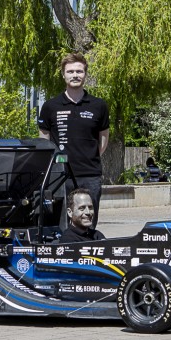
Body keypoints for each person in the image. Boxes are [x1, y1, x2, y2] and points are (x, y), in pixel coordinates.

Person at [37, 53, 109, 226]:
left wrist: (88, 156)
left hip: (90, 175)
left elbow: (103, 139)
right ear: (63, 75)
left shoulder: (98, 105)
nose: (75, 75)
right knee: (60, 223)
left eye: (79, 71)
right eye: (70, 72)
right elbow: (44, 140)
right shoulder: (50, 106)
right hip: (60, 176)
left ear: (85, 74)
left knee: (88, 223)